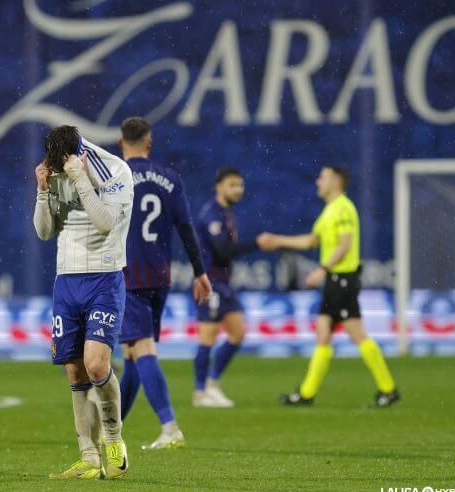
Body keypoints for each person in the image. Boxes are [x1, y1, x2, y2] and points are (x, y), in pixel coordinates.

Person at [33, 125, 134, 479]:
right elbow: (45, 232)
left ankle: (114, 441)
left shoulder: (115, 170)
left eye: (62, 166)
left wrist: (80, 180)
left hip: (104, 278)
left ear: (75, 155)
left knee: (95, 365)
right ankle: (88, 457)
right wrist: (43, 191)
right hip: (67, 280)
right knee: (74, 370)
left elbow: (105, 224)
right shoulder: (56, 168)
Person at [261, 165, 400, 407]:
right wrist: (278, 240)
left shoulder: (343, 208)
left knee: (356, 333)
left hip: (342, 280)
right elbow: (312, 241)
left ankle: (388, 389)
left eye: (323, 177)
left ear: (336, 182)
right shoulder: (330, 210)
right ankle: (306, 394)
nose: (318, 182)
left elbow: (345, 244)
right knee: (323, 334)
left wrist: (321, 270)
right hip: (335, 281)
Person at [116, 117, 212, 450]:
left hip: (128, 276)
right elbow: (186, 228)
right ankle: (111, 431)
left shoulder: (116, 176)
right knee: (130, 354)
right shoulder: (171, 179)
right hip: (159, 277)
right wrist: (200, 272)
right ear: (150, 142)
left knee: (142, 349)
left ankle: (170, 427)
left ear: (120, 142)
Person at [193, 168, 273, 407]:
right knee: (208, 337)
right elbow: (222, 252)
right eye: (232, 185)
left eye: (240, 185)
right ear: (219, 186)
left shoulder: (226, 213)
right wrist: (256, 244)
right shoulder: (213, 215)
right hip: (209, 283)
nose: (238, 189)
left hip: (223, 284)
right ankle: (200, 393)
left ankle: (212, 383)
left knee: (238, 332)